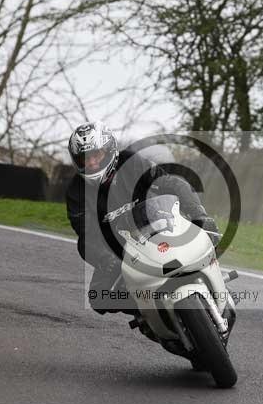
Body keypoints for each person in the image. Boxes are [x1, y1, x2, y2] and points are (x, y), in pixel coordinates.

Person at [65, 121, 220, 315]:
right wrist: (106, 259)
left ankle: (211, 274)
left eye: (96, 155)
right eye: (85, 159)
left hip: (158, 224)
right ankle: (145, 314)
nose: (92, 163)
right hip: (119, 248)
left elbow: (170, 183)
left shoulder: (131, 162)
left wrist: (199, 214)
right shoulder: (75, 191)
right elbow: (86, 233)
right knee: (98, 298)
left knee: (205, 230)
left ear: (109, 150)